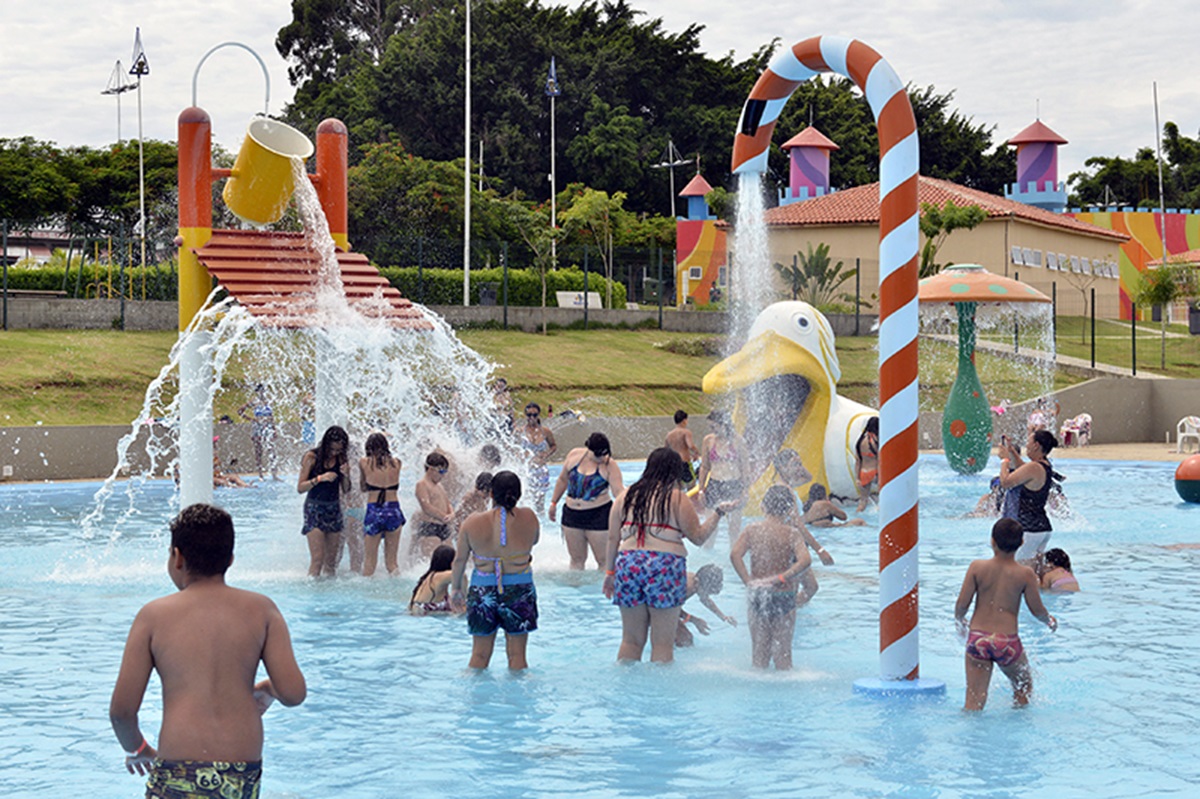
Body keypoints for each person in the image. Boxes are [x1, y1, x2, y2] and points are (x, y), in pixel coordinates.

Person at [109, 504, 306, 795]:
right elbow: (293, 693)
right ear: (230, 559)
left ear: (177, 557)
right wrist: (269, 688)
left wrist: (138, 748)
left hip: (176, 770)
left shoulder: (153, 616)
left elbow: (121, 713)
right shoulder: (262, 610)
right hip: (240, 775)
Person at [603, 447, 732, 664]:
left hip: (628, 563)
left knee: (631, 641)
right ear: (674, 472)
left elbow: (612, 539)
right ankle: (658, 697)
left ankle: (627, 688)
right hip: (664, 564)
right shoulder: (677, 499)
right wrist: (718, 513)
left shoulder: (625, 496)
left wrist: (609, 572)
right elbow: (698, 538)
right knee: (662, 644)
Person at [954, 517, 1058, 711]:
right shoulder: (1025, 574)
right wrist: (1049, 621)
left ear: (992, 540)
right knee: (1023, 688)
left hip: (978, 639)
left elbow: (962, 604)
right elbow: (1037, 610)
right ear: (1021, 542)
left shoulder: (977, 567)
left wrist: (960, 621)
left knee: (973, 702)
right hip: (1007, 642)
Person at [449, 471, 541, 669]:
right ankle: (518, 699)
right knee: (517, 657)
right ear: (519, 494)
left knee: (479, 656)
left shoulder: (472, 522)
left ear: (491, 494)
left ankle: (475, 699)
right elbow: (534, 540)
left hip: (483, 591)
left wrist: (456, 589)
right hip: (519, 587)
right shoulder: (529, 517)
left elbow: (459, 561)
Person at [730, 486, 814, 670]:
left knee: (759, 657)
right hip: (784, 596)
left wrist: (748, 582)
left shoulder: (752, 530)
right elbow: (806, 560)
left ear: (763, 506)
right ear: (788, 510)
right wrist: (782, 577)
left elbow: (735, 555)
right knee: (783, 658)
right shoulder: (792, 533)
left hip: (759, 594)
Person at [549, 432, 625, 570]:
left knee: (604, 561)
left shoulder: (609, 465)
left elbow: (618, 492)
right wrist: (553, 503)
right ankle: (576, 591)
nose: (602, 458)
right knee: (576, 560)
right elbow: (562, 480)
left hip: (599, 515)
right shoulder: (574, 456)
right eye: (598, 455)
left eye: (605, 454)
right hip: (572, 515)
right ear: (589, 449)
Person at [998, 430, 1059, 570]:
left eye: (1028, 442)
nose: (1026, 446)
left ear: (1036, 445)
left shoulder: (1034, 467)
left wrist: (1004, 460)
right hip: (1041, 530)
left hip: (1028, 531)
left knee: (1017, 575)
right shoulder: (1043, 465)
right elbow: (1023, 469)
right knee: (1033, 577)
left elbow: (1005, 482)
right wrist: (1012, 451)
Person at [298, 426, 351, 578]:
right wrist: (320, 478)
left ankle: (328, 600)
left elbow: (346, 490)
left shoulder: (341, 459)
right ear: (326, 444)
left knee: (331, 562)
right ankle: (313, 596)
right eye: (332, 449)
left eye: (339, 450)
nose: (335, 453)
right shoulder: (312, 457)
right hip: (314, 508)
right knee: (317, 559)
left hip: (333, 509)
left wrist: (346, 476)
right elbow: (300, 487)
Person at [697, 409, 750, 544]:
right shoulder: (708, 441)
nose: (712, 430)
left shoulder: (739, 441)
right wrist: (701, 489)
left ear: (724, 424)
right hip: (714, 484)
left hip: (734, 485)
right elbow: (704, 467)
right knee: (710, 529)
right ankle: (708, 556)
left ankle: (732, 559)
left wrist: (745, 490)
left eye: (714, 426)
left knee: (734, 530)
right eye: (710, 427)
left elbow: (745, 468)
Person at [358, 432, 404, 577]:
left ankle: (365, 598)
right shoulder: (397, 463)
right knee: (392, 563)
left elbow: (363, 487)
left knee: (369, 563)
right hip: (393, 509)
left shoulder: (364, 462)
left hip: (375, 511)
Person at [675, 563, 737, 647]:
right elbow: (671, 609)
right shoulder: (687, 587)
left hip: (664, 606)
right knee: (684, 639)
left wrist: (723, 617)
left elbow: (705, 599)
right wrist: (694, 620)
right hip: (659, 607)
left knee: (684, 639)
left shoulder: (697, 582)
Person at [413, 451, 456, 559]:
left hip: (444, 527)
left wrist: (451, 514)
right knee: (431, 564)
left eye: (445, 471)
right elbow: (426, 507)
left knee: (450, 563)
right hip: (430, 528)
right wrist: (443, 516)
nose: (443, 475)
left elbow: (448, 503)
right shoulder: (422, 484)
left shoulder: (439, 486)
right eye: (441, 471)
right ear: (431, 469)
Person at [520, 402, 557, 513]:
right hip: (526, 470)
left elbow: (553, 446)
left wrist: (546, 454)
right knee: (525, 500)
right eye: (529, 415)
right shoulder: (520, 431)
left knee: (540, 504)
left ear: (538, 415)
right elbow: (512, 448)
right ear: (525, 415)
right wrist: (521, 455)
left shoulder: (545, 431)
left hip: (541, 470)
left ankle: (541, 526)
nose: (532, 418)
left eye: (534, 415)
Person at [237, 384, 277, 480]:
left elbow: (271, 416)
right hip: (258, 426)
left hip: (268, 426)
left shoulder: (268, 401)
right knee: (259, 451)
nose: (262, 393)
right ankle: (260, 474)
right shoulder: (254, 401)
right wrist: (251, 419)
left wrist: (274, 429)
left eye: (263, 391)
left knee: (272, 450)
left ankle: (274, 474)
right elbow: (240, 411)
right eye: (260, 391)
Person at [409, 545, 459, 615]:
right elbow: (460, 575)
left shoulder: (430, 577)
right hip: (423, 616)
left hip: (419, 614)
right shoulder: (439, 577)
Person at [802, 483, 867, 528]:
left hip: (817, 529)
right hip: (829, 528)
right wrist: (828, 502)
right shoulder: (823, 504)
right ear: (823, 494)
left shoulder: (807, 506)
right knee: (860, 521)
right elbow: (843, 517)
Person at [666, 410, 701, 489]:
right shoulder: (686, 432)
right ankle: (689, 500)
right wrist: (696, 453)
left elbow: (666, 449)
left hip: (673, 464)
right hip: (684, 463)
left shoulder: (669, 434)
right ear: (684, 420)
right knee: (692, 484)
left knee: (676, 486)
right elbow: (690, 445)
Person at [854, 417, 880, 512]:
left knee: (862, 502)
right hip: (876, 472)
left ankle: (857, 518)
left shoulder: (860, 440)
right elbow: (880, 459)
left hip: (863, 473)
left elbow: (858, 461)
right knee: (883, 501)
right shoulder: (876, 440)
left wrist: (857, 478)